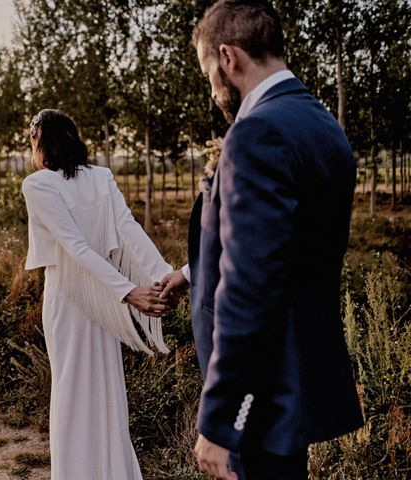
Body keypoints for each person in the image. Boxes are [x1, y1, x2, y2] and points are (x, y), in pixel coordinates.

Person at [160, 1, 364, 479]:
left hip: (260, 393)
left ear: (229, 58)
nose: (212, 89)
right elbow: (284, 246)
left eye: (208, 71)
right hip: (295, 384)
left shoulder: (256, 133)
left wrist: (221, 420)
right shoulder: (322, 125)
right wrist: (192, 273)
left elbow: (251, 288)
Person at [21, 109, 172, 480]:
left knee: (79, 392)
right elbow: (126, 233)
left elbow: (85, 245)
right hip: (107, 296)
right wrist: (144, 283)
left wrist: (160, 281)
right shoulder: (99, 177)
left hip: (73, 299)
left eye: (32, 139)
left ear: (42, 141)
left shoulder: (38, 184)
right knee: (97, 390)